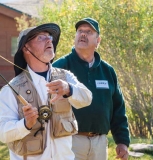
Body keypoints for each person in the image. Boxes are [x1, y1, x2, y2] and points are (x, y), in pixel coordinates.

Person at [0, 23, 92, 160]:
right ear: (26, 48)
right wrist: (25, 124)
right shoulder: (10, 90)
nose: (49, 40)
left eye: (49, 37)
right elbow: (3, 134)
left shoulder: (66, 77)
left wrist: (69, 89)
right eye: (41, 38)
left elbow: (87, 98)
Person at [52, 18, 130, 160]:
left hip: (99, 143)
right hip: (69, 141)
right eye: (80, 31)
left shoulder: (107, 71)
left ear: (98, 41)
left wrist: (122, 141)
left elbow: (118, 108)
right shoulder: (60, 67)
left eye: (88, 32)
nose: (83, 34)